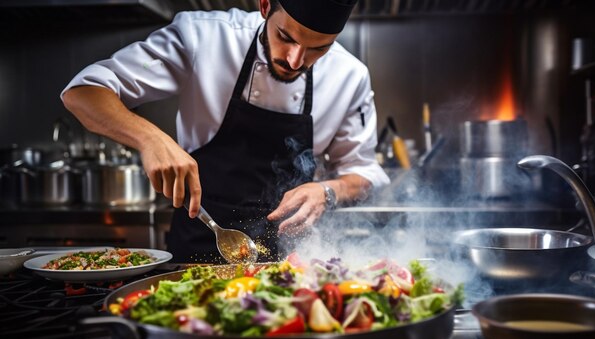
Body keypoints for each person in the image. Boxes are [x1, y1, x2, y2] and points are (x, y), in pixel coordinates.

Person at [61, 0, 389, 263]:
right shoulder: (202, 38)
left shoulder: (351, 76)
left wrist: (327, 191)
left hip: (293, 264)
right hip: (195, 251)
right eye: (286, 37)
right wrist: (149, 138)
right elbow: (84, 90)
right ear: (264, 6)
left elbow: (365, 173)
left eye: (319, 48)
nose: (295, 59)